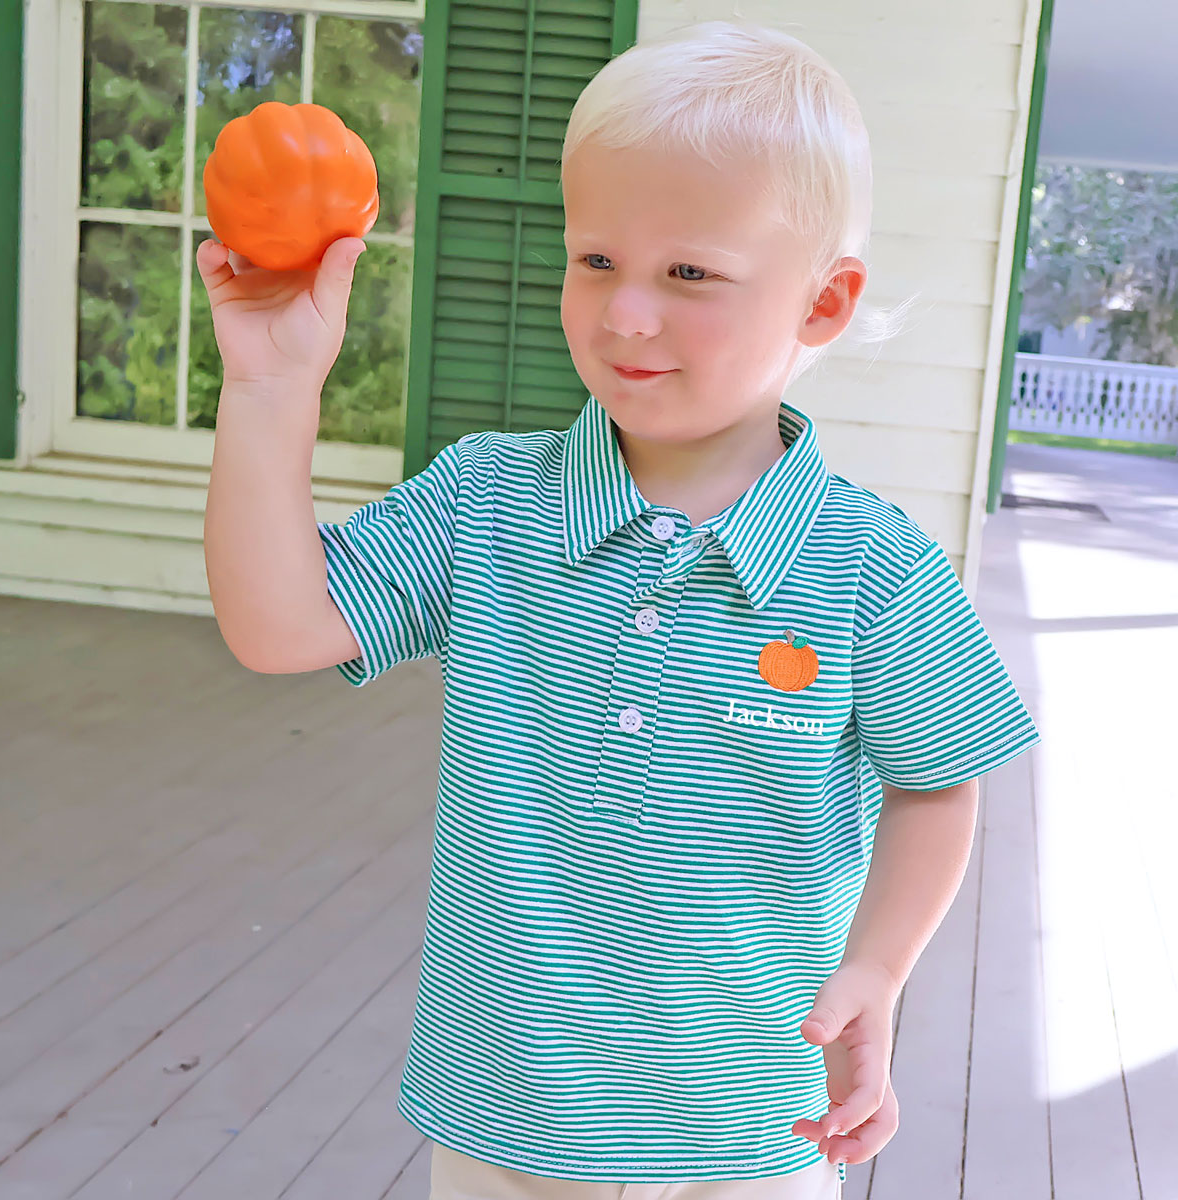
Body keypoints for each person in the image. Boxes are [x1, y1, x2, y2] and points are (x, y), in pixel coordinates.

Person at [198, 19, 1041, 1200]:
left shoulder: (876, 570)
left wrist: (881, 968)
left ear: (824, 304)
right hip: (508, 1123)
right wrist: (272, 385)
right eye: (595, 260)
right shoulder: (488, 502)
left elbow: (941, 781)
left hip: (751, 1133)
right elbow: (276, 626)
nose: (624, 314)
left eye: (688, 272)